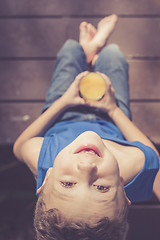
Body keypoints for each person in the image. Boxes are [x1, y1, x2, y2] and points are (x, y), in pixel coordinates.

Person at [13, 14, 160, 240]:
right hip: (110, 115)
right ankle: (97, 51)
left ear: (47, 179)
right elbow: (148, 151)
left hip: (65, 111)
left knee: (70, 50)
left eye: (68, 183)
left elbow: (19, 147)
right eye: (101, 188)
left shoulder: (43, 157)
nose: (86, 166)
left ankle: (87, 50)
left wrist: (64, 101)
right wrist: (112, 109)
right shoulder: (137, 164)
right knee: (114, 56)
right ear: (122, 189)